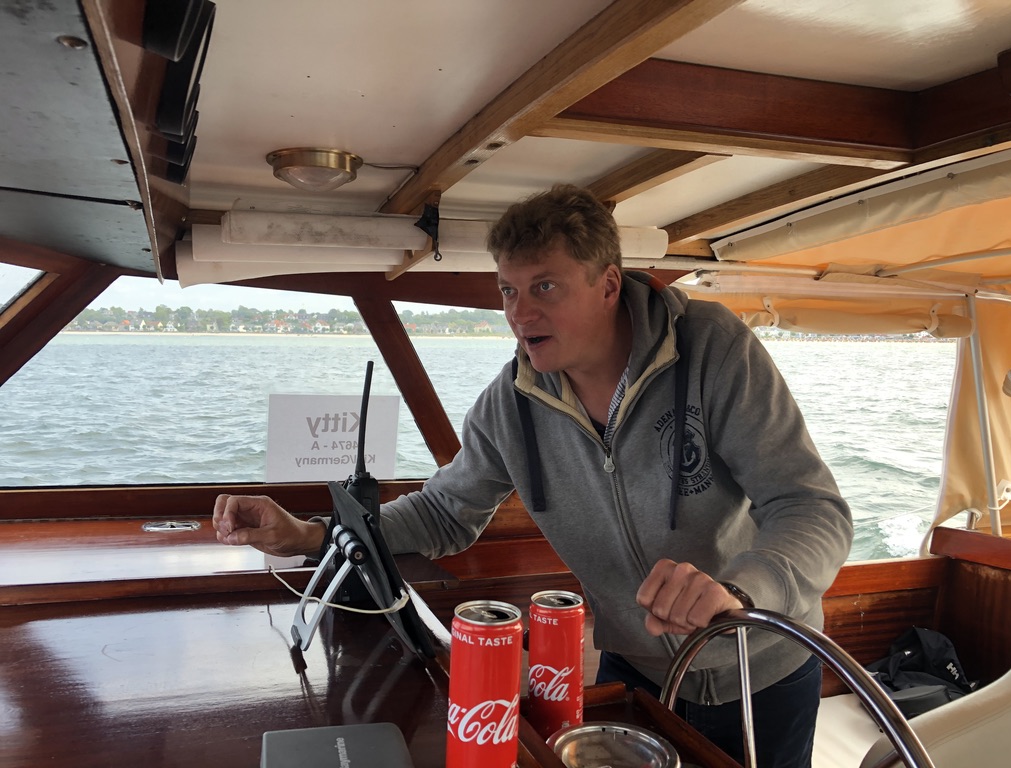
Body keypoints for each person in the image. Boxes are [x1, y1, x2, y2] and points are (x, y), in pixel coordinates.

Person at [213, 184, 853, 767]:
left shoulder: (712, 348)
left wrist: (739, 590)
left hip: (761, 664)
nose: (519, 313)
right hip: (637, 672)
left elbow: (812, 508)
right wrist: (310, 534)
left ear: (608, 284)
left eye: (545, 286)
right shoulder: (511, 402)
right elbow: (443, 512)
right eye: (508, 291)